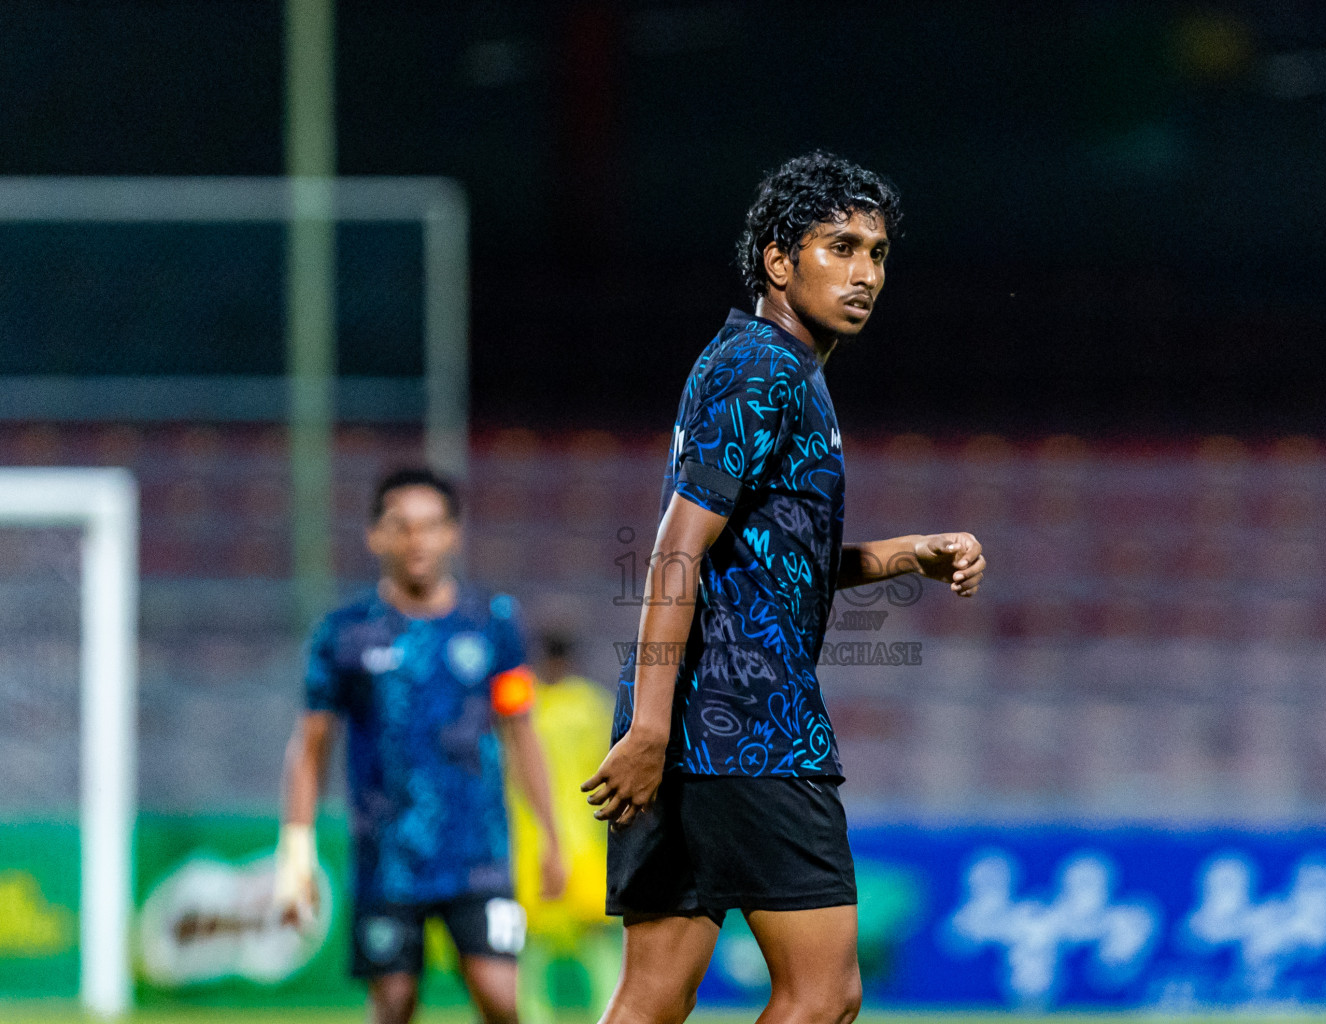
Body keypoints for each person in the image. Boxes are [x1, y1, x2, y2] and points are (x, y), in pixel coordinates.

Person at [582, 152, 987, 1024]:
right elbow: (675, 552)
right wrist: (650, 729)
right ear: (778, 260)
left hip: (693, 719)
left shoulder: (763, 366)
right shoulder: (763, 369)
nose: (865, 273)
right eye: (840, 247)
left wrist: (906, 554)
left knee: (653, 996)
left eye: (877, 253)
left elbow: (767, 560)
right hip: (748, 725)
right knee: (826, 993)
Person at [274, 467, 567, 1024]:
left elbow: (521, 732)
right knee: (393, 1005)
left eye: (431, 526)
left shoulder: (493, 623)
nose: (417, 540)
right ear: (375, 535)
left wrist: (551, 838)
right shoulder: (345, 634)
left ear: (453, 534)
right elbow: (309, 748)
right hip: (389, 859)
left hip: (480, 855)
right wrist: (295, 856)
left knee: (503, 998)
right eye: (402, 526)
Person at [511, 632, 623, 1024]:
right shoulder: (592, 706)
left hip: (531, 846)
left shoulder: (526, 706)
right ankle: (609, 1016)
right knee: (596, 946)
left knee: (531, 953)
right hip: (583, 845)